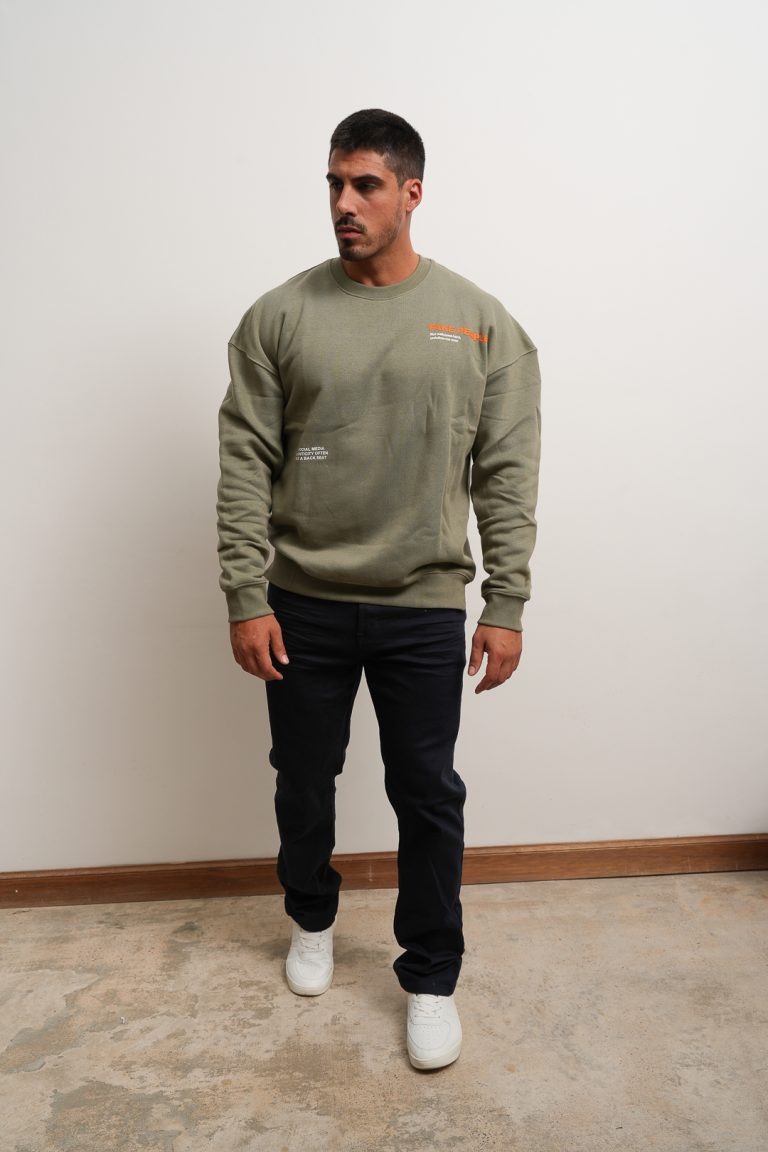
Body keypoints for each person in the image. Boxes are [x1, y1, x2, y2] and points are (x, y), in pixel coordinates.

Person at [216, 108, 542, 1071]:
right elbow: (245, 462)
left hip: (423, 603)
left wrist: (507, 605)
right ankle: (312, 918)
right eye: (333, 183)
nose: (344, 203)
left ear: (411, 192)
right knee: (302, 778)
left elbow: (507, 474)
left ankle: (431, 978)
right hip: (303, 601)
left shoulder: (481, 323)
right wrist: (246, 594)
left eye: (364, 184)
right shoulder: (279, 317)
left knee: (427, 793)